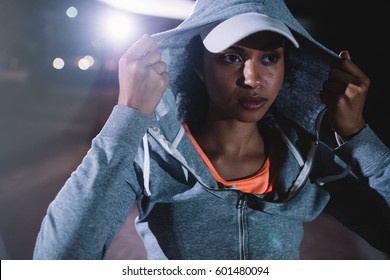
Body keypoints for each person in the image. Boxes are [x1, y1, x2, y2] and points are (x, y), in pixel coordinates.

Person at [33, 0, 390, 260]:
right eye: (231, 57)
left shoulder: (312, 162)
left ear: (286, 67)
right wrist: (128, 115)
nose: (252, 80)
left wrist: (359, 138)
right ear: (200, 66)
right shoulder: (151, 159)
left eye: (269, 57)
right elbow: (59, 258)